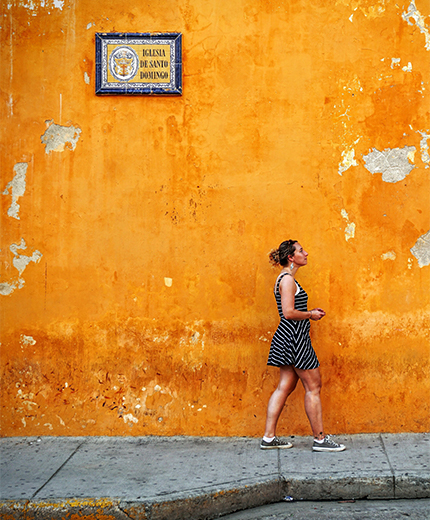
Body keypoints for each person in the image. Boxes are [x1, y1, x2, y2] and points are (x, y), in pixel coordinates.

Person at [261, 239, 345, 452]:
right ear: (291, 257)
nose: (305, 253)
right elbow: (289, 313)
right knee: (313, 387)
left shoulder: (285, 278)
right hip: (295, 338)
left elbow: (290, 309)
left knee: (285, 386)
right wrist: (311, 315)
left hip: (288, 337)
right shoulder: (288, 280)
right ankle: (320, 440)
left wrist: (308, 312)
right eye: (301, 250)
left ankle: (269, 438)